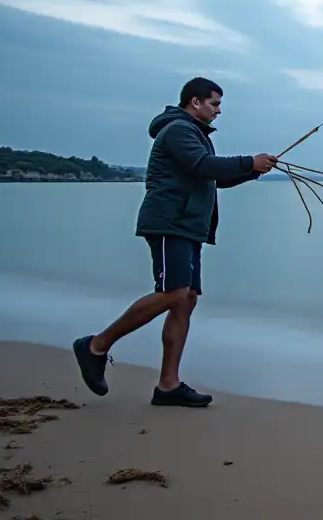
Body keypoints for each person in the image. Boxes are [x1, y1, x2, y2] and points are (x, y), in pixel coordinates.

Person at [72, 77, 277, 407]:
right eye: (214, 104)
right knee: (173, 292)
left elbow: (210, 176)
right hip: (170, 223)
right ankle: (96, 345)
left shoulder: (193, 133)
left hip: (188, 226)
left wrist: (252, 171)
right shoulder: (179, 130)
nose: (219, 111)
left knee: (186, 298)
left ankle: (168, 385)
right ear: (195, 102)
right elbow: (202, 165)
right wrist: (248, 161)